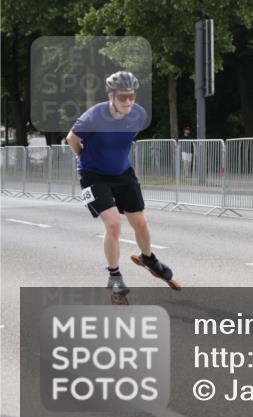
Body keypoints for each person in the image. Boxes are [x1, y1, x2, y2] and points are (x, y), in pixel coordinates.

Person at [65, 71, 175, 297]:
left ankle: (148, 258)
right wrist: (82, 159)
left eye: (131, 97)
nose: (127, 102)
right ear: (111, 96)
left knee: (141, 223)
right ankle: (114, 276)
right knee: (114, 224)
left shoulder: (139, 115)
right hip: (92, 174)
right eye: (122, 97)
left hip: (123, 172)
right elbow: (72, 139)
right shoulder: (94, 116)